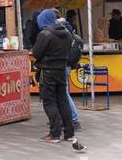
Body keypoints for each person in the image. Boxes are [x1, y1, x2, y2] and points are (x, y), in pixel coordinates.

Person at [31, 8, 85, 151]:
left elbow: (36, 53)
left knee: (49, 102)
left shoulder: (45, 34)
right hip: (61, 70)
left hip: (47, 72)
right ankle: (69, 133)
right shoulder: (67, 33)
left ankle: (54, 134)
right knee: (62, 101)